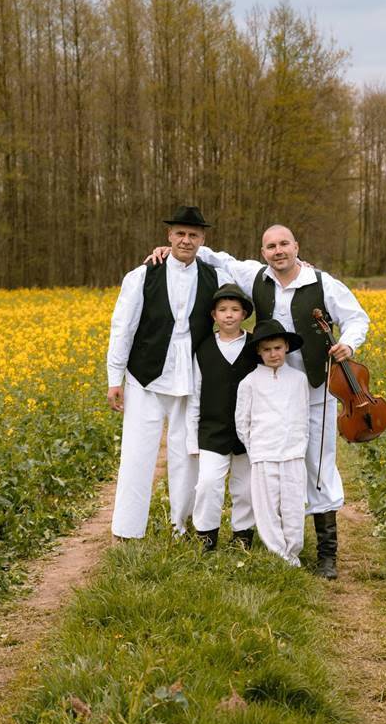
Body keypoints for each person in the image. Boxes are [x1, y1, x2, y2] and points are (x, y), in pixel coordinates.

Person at [148, 224, 369, 577]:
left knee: (317, 467)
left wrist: (350, 343)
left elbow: (357, 318)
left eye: (284, 244)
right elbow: (218, 256)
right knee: (264, 468)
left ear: (296, 246)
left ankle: (327, 554)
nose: (278, 251)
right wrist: (173, 249)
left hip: (313, 390)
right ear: (263, 251)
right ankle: (269, 536)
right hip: (267, 394)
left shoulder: (323, 283)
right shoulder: (254, 276)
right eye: (271, 246)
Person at [106, 206, 230, 539]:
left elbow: (254, 277)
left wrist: (300, 265)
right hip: (144, 376)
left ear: (203, 240)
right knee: (136, 453)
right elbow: (123, 327)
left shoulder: (215, 276)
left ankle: (180, 525)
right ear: (168, 236)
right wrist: (114, 379)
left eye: (193, 235)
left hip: (190, 377)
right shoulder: (142, 275)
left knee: (186, 455)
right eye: (180, 234)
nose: (186, 240)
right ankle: (127, 529)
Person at [186, 283, 257, 551]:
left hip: (247, 433)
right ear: (214, 315)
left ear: (244, 314)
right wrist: (193, 439)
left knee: (246, 487)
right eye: (223, 310)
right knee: (207, 483)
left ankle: (243, 534)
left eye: (235, 310)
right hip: (212, 431)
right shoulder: (203, 349)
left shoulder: (254, 347)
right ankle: (206, 535)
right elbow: (195, 395)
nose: (229, 315)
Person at [235, 319, 310, 567]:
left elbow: (303, 417)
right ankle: (278, 554)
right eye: (266, 349)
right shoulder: (249, 382)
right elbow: (242, 422)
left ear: (286, 347)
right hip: (263, 453)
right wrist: (256, 449)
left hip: (292, 453)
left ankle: (293, 550)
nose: (273, 354)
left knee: (293, 506)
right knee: (266, 508)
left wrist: (298, 446)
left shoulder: (298, 380)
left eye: (277, 348)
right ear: (258, 352)